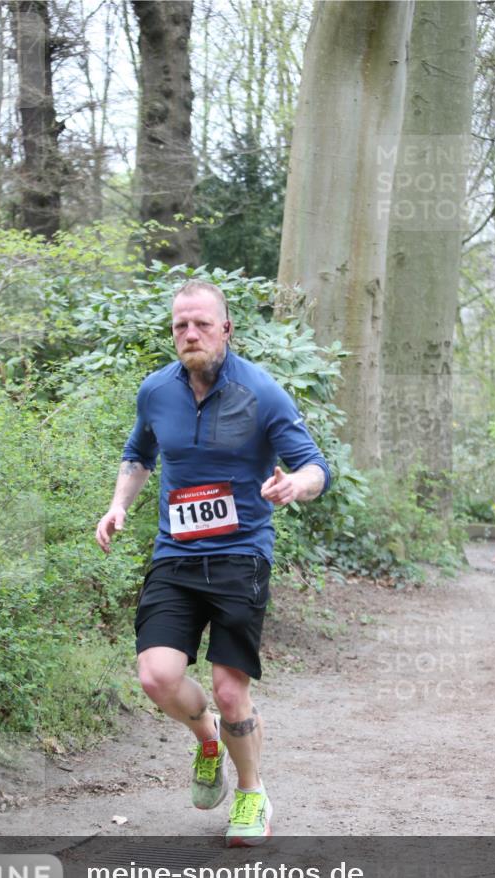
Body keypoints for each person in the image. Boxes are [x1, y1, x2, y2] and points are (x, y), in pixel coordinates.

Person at [95, 279, 330, 846]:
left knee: (231, 691)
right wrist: (118, 505)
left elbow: (316, 466)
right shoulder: (156, 391)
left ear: (226, 327)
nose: (191, 333)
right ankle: (206, 737)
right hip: (175, 555)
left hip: (240, 555)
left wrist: (295, 485)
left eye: (202, 323)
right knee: (156, 676)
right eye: (181, 325)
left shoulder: (262, 393)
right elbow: (139, 452)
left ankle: (251, 793)